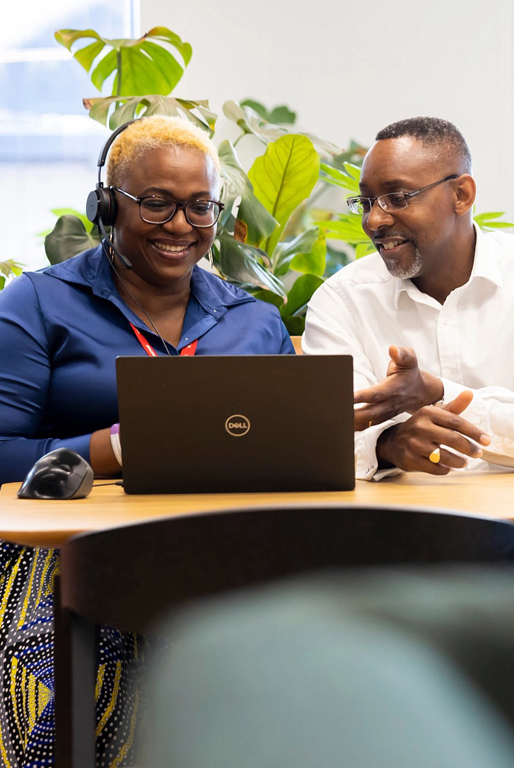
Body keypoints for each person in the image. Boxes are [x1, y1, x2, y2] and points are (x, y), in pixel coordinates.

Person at [0, 115, 294, 766]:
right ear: (107, 206)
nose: (182, 225)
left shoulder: (254, 320)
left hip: (228, 541)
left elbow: (292, 449)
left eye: (200, 206)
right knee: (50, 656)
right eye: (156, 203)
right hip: (69, 545)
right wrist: (110, 449)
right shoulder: (39, 304)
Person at [302, 117, 514, 479]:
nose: (374, 221)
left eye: (397, 198)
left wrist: (435, 393)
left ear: (461, 195)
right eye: (366, 202)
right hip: (392, 524)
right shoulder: (340, 301)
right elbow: (327, 435)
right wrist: (386, 444)